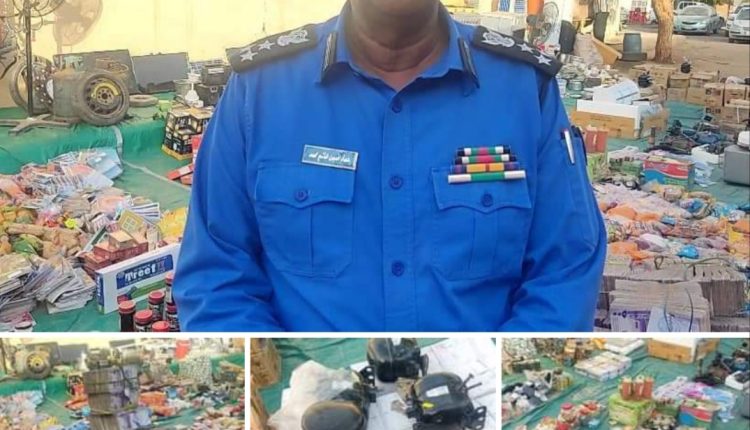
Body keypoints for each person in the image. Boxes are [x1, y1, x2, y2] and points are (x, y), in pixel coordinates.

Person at [174, 0, 606, 332]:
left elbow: (565, 272)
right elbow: (217, 278)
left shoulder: (523, 89)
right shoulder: (260, 91)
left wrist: (495, 389)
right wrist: (294, 396)